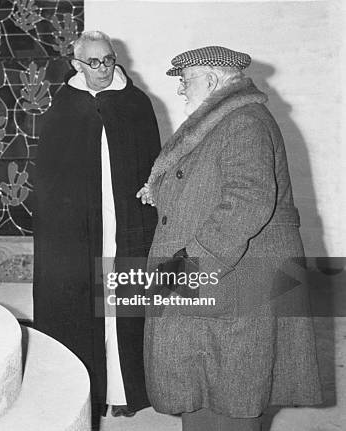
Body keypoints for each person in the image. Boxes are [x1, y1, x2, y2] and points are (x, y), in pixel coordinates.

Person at [137, 46, 322, 431]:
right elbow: (214, 182)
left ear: (211, 79)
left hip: (233, 279)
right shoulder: (225, 121)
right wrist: (166, 189)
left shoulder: (243, 123)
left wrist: (192, 263)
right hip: (224, 278)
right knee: (208, 386)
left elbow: (249, 199)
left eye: (186, 81)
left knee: (231, 394)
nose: (181, 91)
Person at [33, 30, 160, 423]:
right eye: (94, 62)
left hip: (125, 223)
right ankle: (86, 390)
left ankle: (124, 391)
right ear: (76, 65)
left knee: (123, 302)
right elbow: (51, 176)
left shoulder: (136, 103)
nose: (103, 68)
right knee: (80, 302)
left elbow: (154, 165)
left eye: (108, 59)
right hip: (77, 228)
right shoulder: (63, 108)